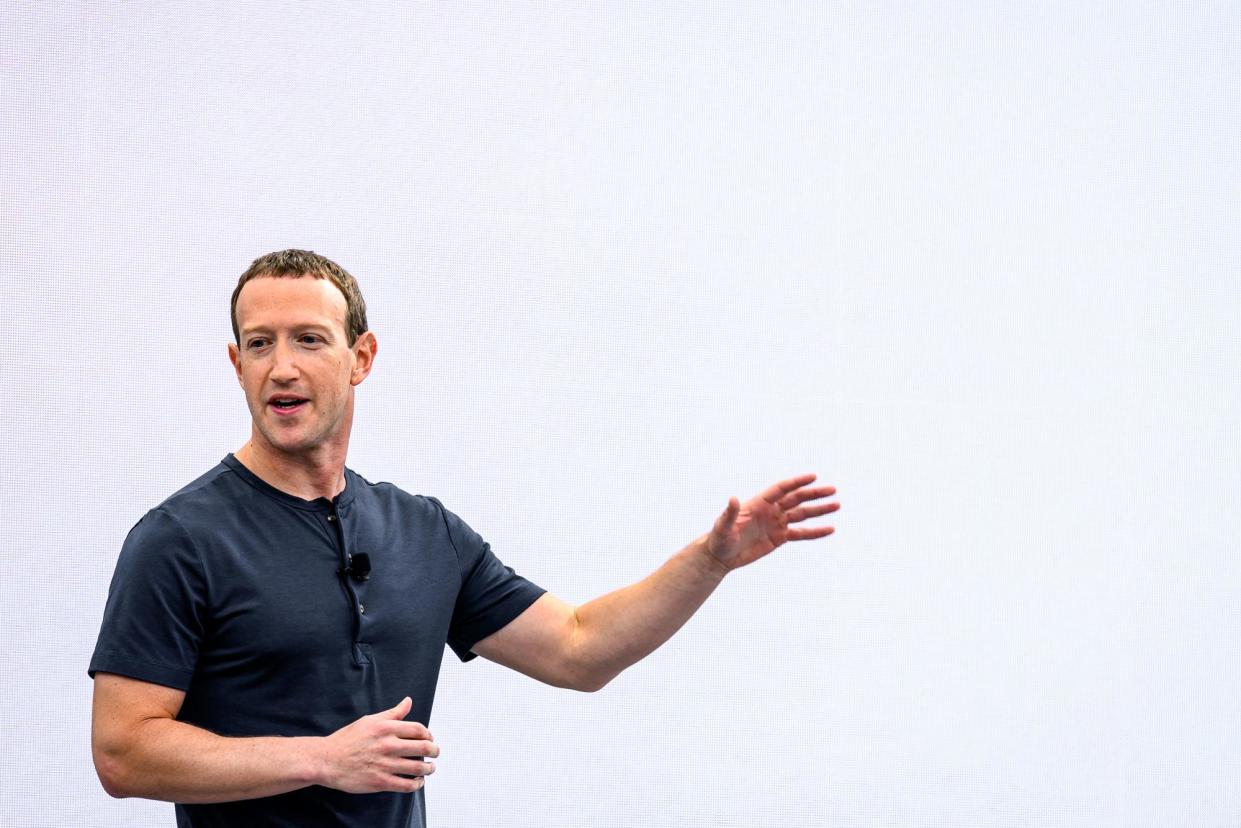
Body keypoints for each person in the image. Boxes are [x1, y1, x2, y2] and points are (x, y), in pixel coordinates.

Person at [89, 249, 840, 828]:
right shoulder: (179, 540)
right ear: (236, 363)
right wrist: (321, 760)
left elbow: (579, 649)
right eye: (259, 344)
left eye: (309, 339)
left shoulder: (424, 532)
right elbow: (123, 752)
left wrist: (708, 563)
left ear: (362, 357)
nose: (280, 366)